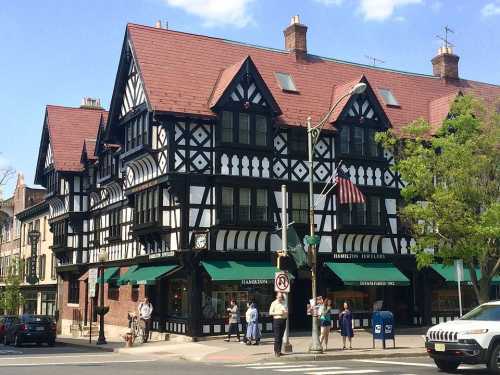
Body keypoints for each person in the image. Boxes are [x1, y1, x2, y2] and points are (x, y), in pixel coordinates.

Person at [269, 293, 288, 357]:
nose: (280, 298)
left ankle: (279, 351)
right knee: (277, 337)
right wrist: (279, 313)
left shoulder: (284, 303)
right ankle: (276, 351)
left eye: (281, 297)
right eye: (279, 297)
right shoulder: (274, 303)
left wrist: (286, 312)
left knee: (281, 336)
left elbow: (286, 310)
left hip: (283, 320)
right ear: (276, 296)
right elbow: (270, 312)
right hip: (277, 320)